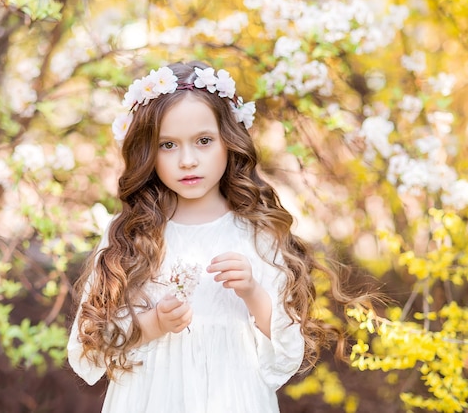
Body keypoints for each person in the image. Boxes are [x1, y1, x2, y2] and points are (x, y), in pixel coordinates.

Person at [68, 60, 370, 412]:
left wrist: (253, 291)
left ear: (229, 141)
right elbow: (94, 341)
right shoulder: (133, 234)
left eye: (204, 141)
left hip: (234, 394)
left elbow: (286, 346)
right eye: (168, 145)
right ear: (147, 152)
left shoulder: (255, 230)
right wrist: (155, 323)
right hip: (152, 395)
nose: (187, 160)